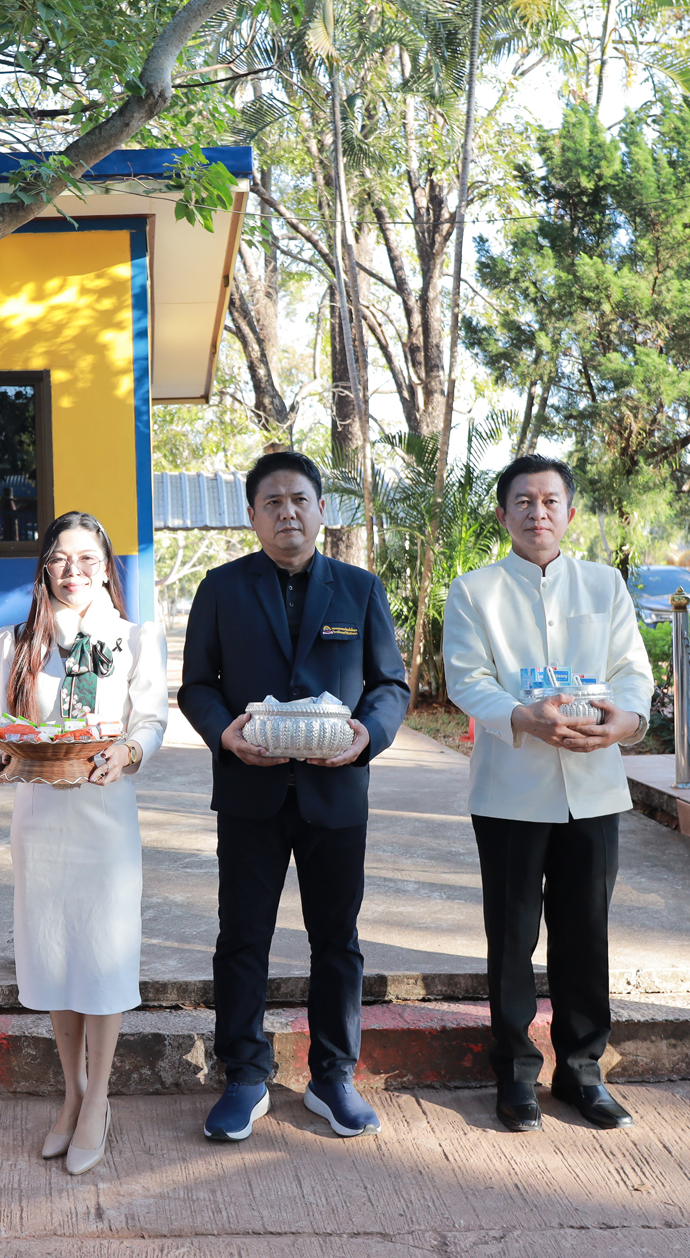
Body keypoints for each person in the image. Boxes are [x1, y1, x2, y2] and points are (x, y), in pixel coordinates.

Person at [178, 451, 410, 1142]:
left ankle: (332, 1076)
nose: (287, 513)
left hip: (334, 792)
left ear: (321, 510)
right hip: (248, 793)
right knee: (242, 937)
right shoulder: (221, 588)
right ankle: (245, 1075)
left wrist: (367, 735)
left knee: (337, 939)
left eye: (299, 499)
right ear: (252, 515)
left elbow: (390, 685)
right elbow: (197, 686)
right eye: (272, 502)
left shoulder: (359, 589)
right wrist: (225, 734)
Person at [440, 456, 653, 1133]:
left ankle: (582, 1070)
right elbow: (466, 677)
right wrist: (520, 716)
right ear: (503, 514)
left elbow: (632, 670)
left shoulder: (604, 584)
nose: (538, 512)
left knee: (585, 933)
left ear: (570, 513)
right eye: (524, 501)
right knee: (512, 935)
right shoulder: (474, 591)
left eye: (551, 501)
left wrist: (625, 721)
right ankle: (514, 1071)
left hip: (593, 786)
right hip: (510, 788)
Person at [0, 511, 168, 1175]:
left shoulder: (134, 638)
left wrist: (129, 751)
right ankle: (72, 1092)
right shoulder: (16, 642)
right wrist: (5, 758)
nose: (73, 571)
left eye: (87, 559)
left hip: (105, 817)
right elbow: (7, 725)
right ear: (44, 568)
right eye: (60, 559)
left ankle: (99, 1099)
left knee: (103, 957)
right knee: (56, 954)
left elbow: (151, 719)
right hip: (41, 818)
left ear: (106, 567)